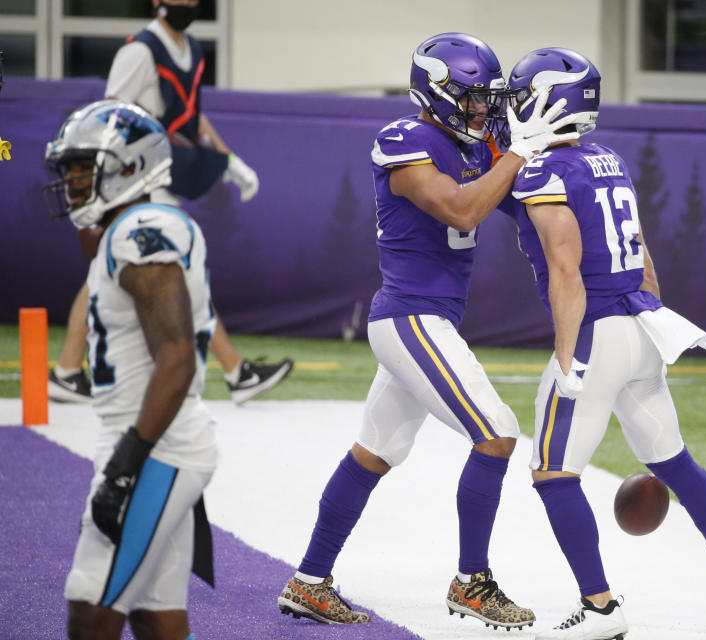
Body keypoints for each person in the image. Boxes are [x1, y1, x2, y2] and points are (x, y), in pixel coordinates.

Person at [275, 32, 578, 629]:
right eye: (472, 100)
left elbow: (525, 199)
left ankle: (308, 581)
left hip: (428, 321)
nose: (483, 112)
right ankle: (472, 583)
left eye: (488, 101)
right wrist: (515, 154)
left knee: (375, 451)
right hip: (409, 317)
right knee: (496, 433)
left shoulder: (481, 144)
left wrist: (558, 163)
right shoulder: (406, 140)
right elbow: (463, 209)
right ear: (435, 93)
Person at [502, 48, 706, 639]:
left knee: (553, 472)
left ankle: (599, 608)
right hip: (642, 322)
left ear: (546, 102)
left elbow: (566, 270)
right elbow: (644, 256)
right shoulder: (607, 159)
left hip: (597, 333)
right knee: (673, 460)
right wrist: (647, 314)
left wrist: (568, 355)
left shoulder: (543, 171)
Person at [48, 0, 292, 406]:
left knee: (107, 269)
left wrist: (228, 158)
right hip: (134, 177)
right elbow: (110, 118)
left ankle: (68, 371)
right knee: (178, 267)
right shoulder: (139, 51)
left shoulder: (192, 49)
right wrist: (111, 183)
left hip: (162, 170)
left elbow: (192, 116)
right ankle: (235, 370)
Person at [44, 99, 217, 640]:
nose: (73, 178)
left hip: (154, 446)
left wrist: (127, 463)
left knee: (91, 605)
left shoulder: (143, 227)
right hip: (155, 440)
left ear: (130, 165)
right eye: (68, 166)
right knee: (155, 617)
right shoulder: (128, 226)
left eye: (83, 164)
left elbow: (176, 357)